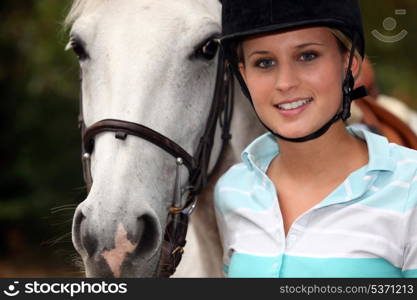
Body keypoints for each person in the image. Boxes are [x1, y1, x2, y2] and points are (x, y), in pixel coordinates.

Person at [214, 0, 417, 278]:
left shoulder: (411, 188)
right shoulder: (231, 190)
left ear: (348, 63)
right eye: (264, 62)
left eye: (307, 56)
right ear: (244, 75)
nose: (285, 82)